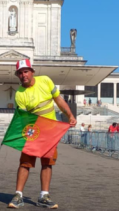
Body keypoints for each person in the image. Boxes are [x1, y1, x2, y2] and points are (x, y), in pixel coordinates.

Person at [8, 59, 75, 209]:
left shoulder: (45, 81)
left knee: (47, 163)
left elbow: (58, 99)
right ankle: (18, 195)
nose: (23, 75)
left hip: (50, 132)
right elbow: (24, 119)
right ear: (18, 75)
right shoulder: (19, 94)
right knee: (25, 164)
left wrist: (69, 115)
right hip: (33, 131)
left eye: (25, 71)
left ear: (32, 72)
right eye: (20, 73)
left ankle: (44, 196)